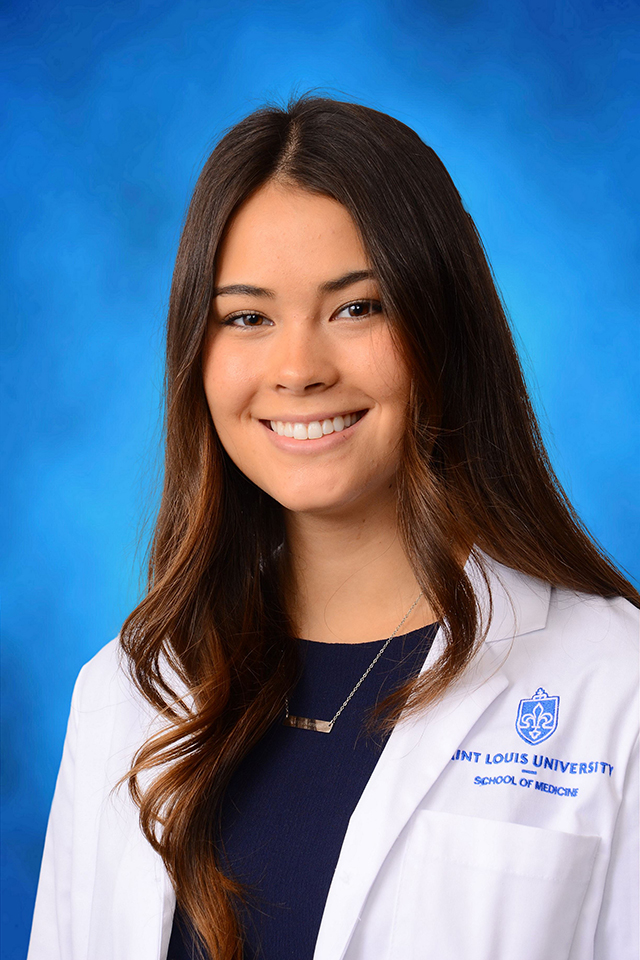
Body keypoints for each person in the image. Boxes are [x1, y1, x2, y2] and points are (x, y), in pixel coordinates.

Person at [28, 94, 638, 960]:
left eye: (358, 308)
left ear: (444, 325)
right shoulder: (125, 692)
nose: (299, 369)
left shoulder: (616, 687)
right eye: (247, 317)